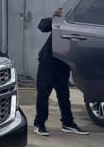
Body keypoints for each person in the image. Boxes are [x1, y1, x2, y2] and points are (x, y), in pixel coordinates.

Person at [34, 7, 89, 136]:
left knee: (64, 95)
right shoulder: (61, 21)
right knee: (43, 94)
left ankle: (68, 123)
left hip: (63, 63)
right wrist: (54, 18)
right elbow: (42, 26)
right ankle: (39, 124)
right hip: (48, 62)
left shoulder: (80, 27)